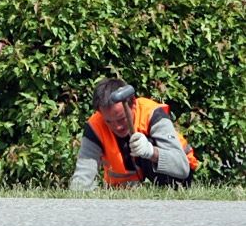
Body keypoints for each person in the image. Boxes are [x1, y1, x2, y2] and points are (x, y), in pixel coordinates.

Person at [70, 78, 198, 191]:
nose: (117, 127)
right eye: (109, 121)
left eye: (121, 119)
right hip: (126, 193)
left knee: (150, 142)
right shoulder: (94, 126)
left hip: (176, 183)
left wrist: (151, 151)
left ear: (133, 104)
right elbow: (82, 177)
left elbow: (182, 168)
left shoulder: (152, 114)